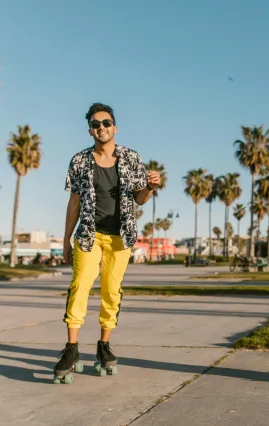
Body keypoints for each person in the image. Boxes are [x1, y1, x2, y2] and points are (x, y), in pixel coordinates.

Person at [54, 102, 160, 381]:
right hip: (89, 236)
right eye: (95, 124)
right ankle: (71, 348)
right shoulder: (79, 161)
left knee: (111, 293)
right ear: (89, 130)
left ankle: (103, 346)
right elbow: (74, 202)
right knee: (79, 288)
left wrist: (150, 187)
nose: (101, 127)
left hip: (120, 238)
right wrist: (65, 240)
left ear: (115, 127)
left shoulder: (131, 158)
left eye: (106, 123)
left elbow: (139, 198)